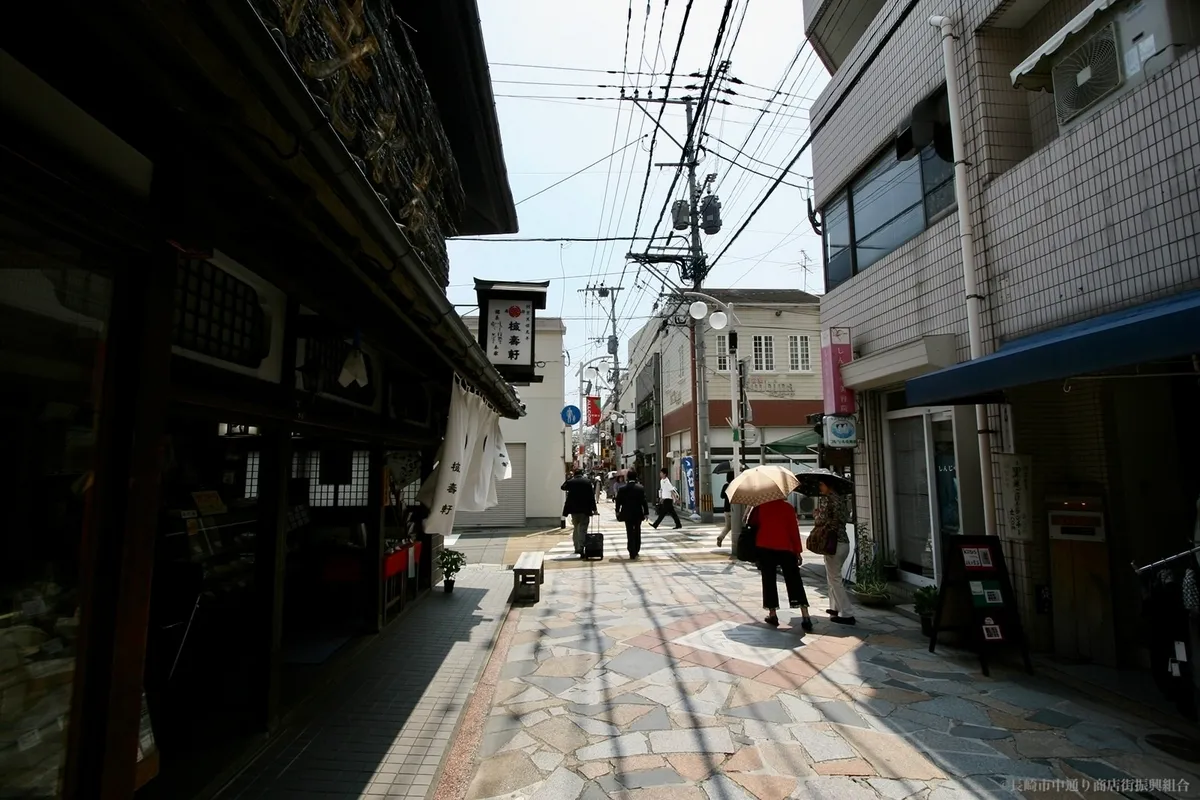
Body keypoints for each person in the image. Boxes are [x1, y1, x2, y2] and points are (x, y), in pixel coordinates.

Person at [749, 498, 813, 630]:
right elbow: (793, 530)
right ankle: (805, 615)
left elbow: (751, 524)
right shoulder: (788, 508)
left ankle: (772, 614)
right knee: (794, 580)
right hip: (786, 547)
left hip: (765, 547)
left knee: (769, 580)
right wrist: (797, 551)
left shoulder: (760, 507)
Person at [816, 477, 856, 625]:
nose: (820, 487)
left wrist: (817, 515)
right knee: (832, 576)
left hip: (834, 544)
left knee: (835, 578)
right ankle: (834, 607)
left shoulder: (829, 501)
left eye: (821, 484)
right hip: (843, 542)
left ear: (828, 485)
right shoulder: (840, 500)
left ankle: (846, 612)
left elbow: (822, 521)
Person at [561, 469, 598, 557]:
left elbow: (562, 487)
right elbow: (591, 496)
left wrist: (569, 478)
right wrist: (595, 509)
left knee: (576, 528)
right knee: (583, 529)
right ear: (582, 474)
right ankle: (581, 547)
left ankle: (576, 547)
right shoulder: (587, 482)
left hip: (574, 510)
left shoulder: (571, 482)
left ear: (574, 474)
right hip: (585, 510)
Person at [615, 471, 649, 559]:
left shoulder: (622, 489)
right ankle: (637, 549)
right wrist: (646, 513)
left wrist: (617, 511)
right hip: (638, 513)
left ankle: (631, 550)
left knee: (629, 532)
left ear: (628, 478)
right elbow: (644, 501)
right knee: (637, 531)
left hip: (627, 513)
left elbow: (618, 501)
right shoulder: (640, 488)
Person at [716, 472, 733, 548]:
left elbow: (722, 496)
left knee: (728, 526)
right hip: (734, 510)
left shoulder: (725, 486)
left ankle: (721, 537)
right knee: (737, 527)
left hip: (726, 509)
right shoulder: (735, 486)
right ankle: (736, 542)